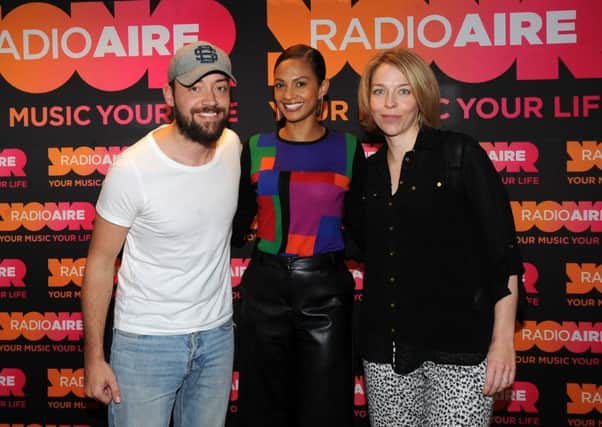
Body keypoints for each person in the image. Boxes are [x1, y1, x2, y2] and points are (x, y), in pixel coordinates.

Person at [349, 48, 523, 426]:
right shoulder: (368, 171)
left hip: (459, 347)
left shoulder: (459, 154)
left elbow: (504, 255)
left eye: (403, 91)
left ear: (421, 96)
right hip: (386, 351)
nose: (390, 103)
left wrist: (503, 341)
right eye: (379, 91)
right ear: (367, 99)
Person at [81, 40, 241, 427]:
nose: (210, 99)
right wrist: (94, 357)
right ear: (169, 94)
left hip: (217, 337)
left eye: (220, 87)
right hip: (145, 344)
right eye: (195, 87)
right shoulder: (132, 169)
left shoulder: (232, 147)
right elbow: (101, 263)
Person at [232, 44, 364, 427]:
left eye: (301, 84)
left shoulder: (348, 148)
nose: (289, 96)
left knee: (324, 408)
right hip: (264, 289)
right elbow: (236, 220)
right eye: (280, 85)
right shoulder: (257, 147)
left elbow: (363, 228)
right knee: (263, 408)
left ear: (323, 88)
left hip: (326, 292)